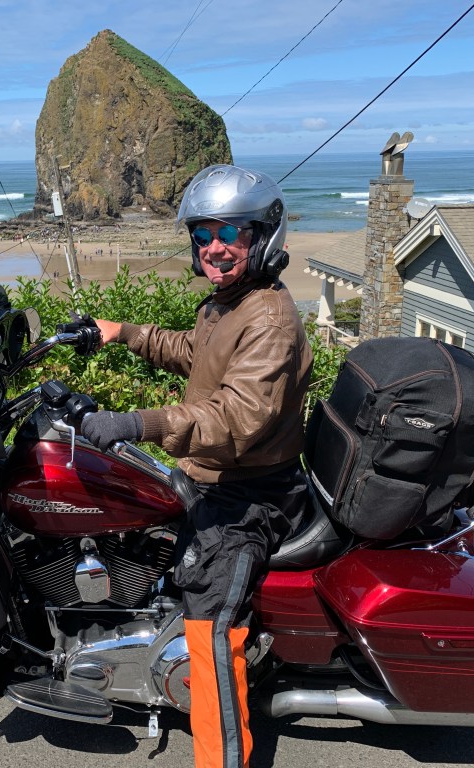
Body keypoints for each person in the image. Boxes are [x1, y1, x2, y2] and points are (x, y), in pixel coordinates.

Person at [82, 164, 313, 768]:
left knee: (211, 633)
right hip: (216, 475)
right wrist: (121, 331)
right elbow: (194, 352)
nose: (215, 246)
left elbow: (236, 416)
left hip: (248, 494)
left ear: (262, 237)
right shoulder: (227, 305)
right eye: (204, 233)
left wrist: (137, 422)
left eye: (232, 232)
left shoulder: (268, 319)